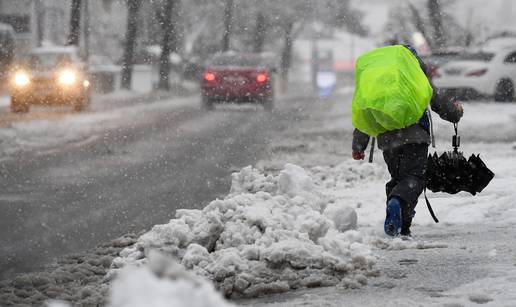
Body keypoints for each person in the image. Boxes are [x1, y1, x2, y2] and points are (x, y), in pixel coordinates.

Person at [352, 45, 464, 237]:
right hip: (415, 136)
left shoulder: (383, 83)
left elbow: (366, 111)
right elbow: (436, 101)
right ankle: (396, 202)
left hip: (387, 138)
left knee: (398, 179)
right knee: (414, 178)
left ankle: (401, 226)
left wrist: (358, 144)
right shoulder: (415, 77)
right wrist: (455, 112)